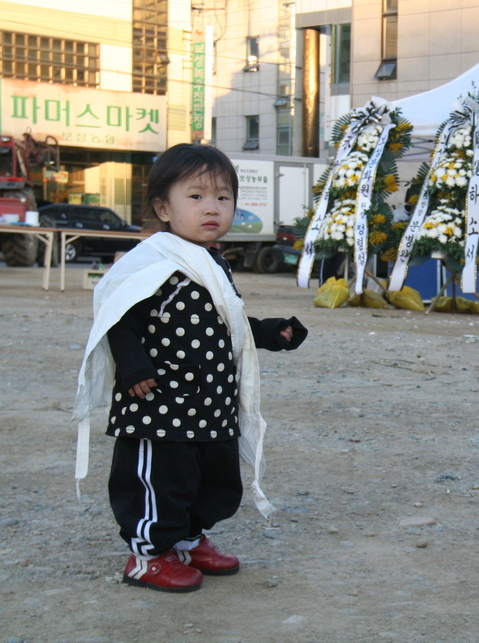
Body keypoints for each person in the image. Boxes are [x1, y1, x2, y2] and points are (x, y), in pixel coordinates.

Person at [72, 143, 307, 593]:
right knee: (162, 482)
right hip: (158, 405)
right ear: (163, 207)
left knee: (213, 482)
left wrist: (270, 332)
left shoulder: (212, 262)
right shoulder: (154, 260)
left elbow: (226, 323)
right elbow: (117, 316)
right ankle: (147, 555)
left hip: (210, 407)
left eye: (222, 197)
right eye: (196, 197)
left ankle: (186, 538)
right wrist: (133, 365)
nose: (211, 208)